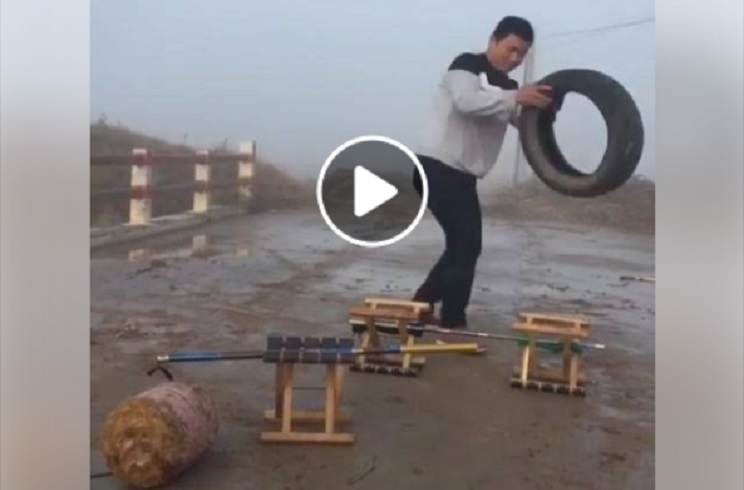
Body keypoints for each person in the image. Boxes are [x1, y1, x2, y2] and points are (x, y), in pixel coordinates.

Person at [412, 16, 557, 330]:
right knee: (465, 245)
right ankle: (451, 320)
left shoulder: (510, 88)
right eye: (511, 49)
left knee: (463, 246)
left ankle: (421, 305)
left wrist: (543, 110)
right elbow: (466, 102)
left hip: (462, 176)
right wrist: (516, 98)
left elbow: (522, 123)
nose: (515, 58)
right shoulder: (466, 65)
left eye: (522, 54)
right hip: (436, 167)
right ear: (493, 40)